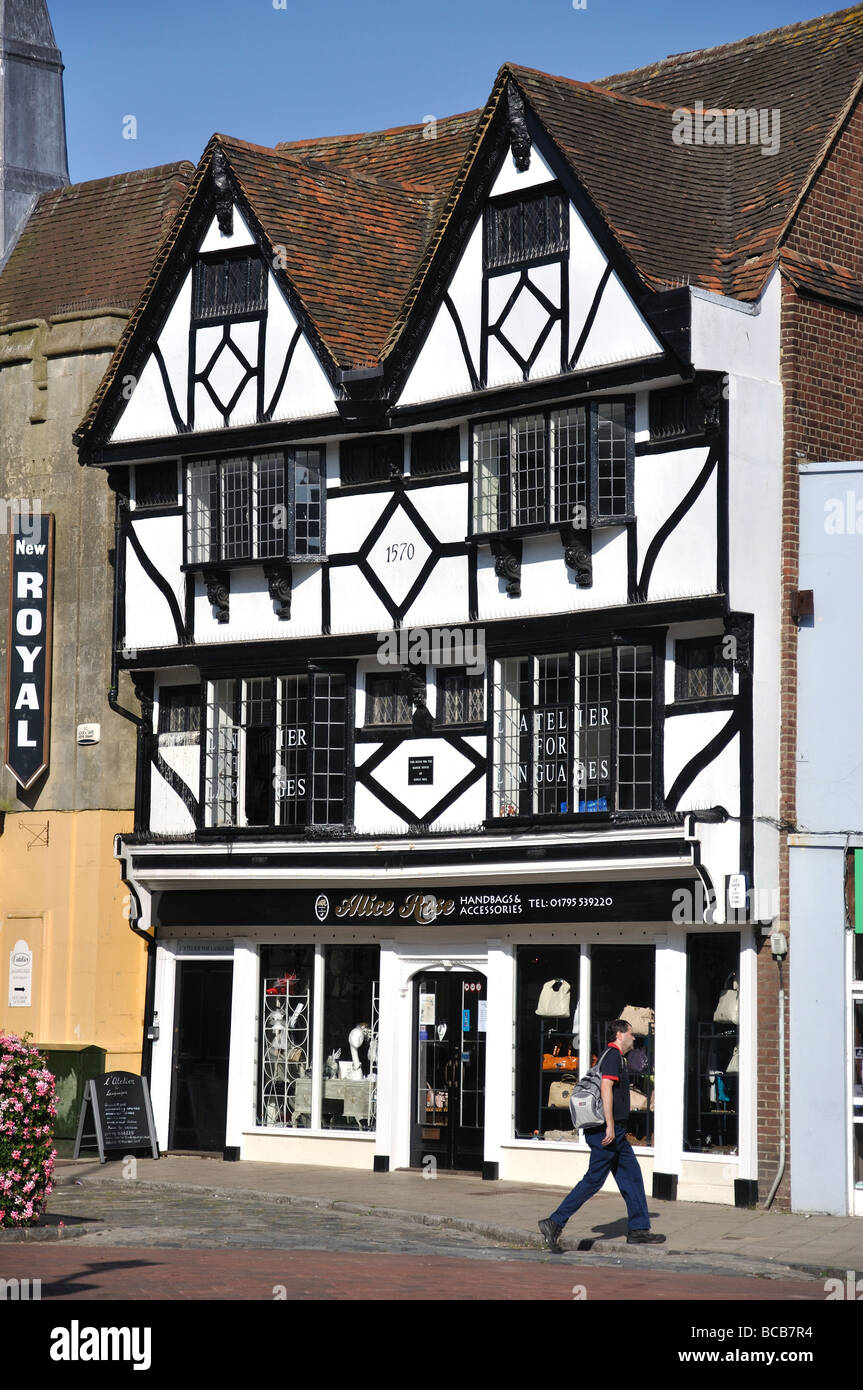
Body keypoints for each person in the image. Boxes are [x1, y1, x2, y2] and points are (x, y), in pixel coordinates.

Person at [538, 1018, 666, 1251]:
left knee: (632, 1176)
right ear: (619, 1035)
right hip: (607, 1131)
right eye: (631, 1033)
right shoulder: (613, 1056)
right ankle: (554, 1222)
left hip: (615, 1131)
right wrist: (608, 1125)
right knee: (593, 1180)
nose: (634, 1037)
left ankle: (638, 1229)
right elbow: (606, 1089)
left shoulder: (616, 1058)